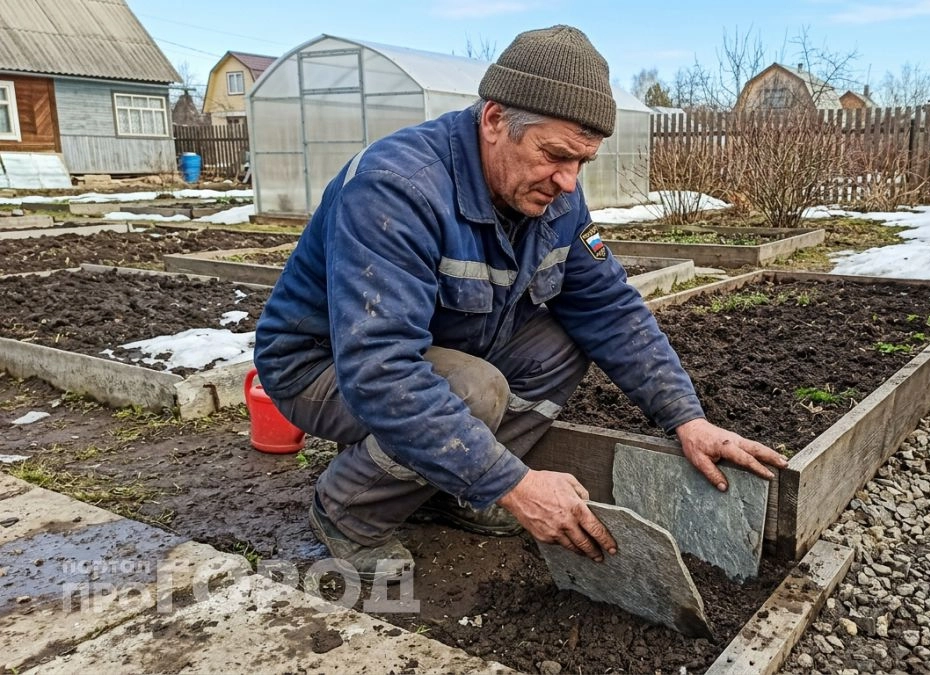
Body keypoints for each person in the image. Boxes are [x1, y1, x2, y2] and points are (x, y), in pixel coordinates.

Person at [253, 24, 786, 581]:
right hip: (321, 365)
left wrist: (686, 418)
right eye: (555, 155)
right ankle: (348, 511)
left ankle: (450, 486)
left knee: (560, 344)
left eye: (583, 163)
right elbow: (380, 367)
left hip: (440, 348)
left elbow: (610, 308)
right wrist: (515, 484)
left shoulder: (554, 197)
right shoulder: (397, 188)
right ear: (494, 121)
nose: (568, 182)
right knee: (472, 393)